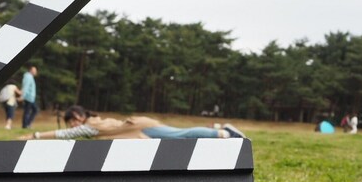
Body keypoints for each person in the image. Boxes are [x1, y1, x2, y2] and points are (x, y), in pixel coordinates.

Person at [21, 105, 246, 140]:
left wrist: (36, 135)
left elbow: (66, 135)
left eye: (71, 121)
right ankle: (220, 131)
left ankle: (226, 133)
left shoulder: (91, 126)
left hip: (142, 128)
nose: (71, 125)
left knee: (181, 135)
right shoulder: (94, 122)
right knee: (181, 135)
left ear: (78, 117)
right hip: (140, 127)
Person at [21, 64, 38, 129]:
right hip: (28, 97)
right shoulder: (28, 77)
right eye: (34, 70)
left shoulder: (30, 77)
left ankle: (26, 124)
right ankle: (26, 125)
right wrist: (23, 96)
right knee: (30, 111)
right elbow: (26, 87)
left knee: (31, 110)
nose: (35, 71)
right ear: (30, 70)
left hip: (31, 98)